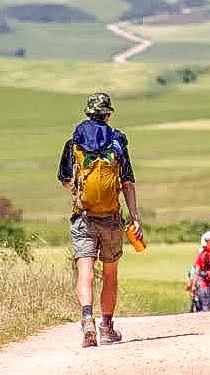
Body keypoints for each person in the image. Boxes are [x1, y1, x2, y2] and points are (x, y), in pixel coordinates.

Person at [58, 92, 143, 348]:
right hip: (111, 219)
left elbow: (65, 180)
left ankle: (87, 319)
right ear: (108, 114)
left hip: (83, 218)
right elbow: (127, 183)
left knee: (85, 270)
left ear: (87, 113)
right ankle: (106, 326)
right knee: (110, 273)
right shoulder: (117, 142)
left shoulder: (73, 143)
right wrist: (135, 218)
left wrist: (80, 189)